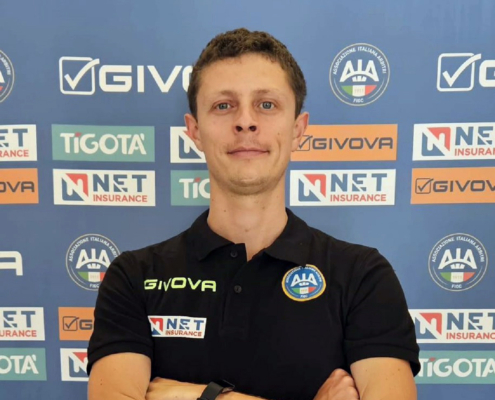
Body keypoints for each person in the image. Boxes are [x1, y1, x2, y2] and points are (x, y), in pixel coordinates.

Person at [87, 28, 419, 400]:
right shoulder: (133, 277)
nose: (245, 121)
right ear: (195, 131)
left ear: (298, 129)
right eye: (223, 105)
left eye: (266, 104)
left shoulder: (362, 276)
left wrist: (192, 395)